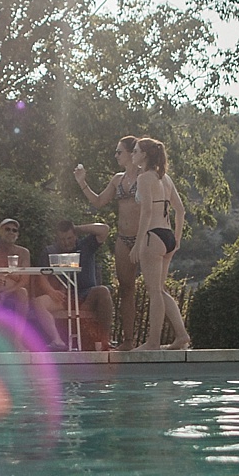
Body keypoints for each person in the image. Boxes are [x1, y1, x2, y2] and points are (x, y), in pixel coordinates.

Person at [73, 136, 144, 347]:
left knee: (155, 288)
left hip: (145, 237)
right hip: (124, 239)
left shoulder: (146, 176)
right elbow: (99, 201)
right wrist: (82, 182)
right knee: (126, 288)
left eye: (119, 152)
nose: (115, 156)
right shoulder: (117, 179)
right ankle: (129, 340)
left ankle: (161, 338)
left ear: (132, 153)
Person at [133, 137, 192, 350]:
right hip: (166, 236)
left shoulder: (144, 178)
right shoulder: (165, 178)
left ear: (145, 155)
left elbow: (147, 211)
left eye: (136, 151)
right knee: (160, 289)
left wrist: (138, 244)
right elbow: (181, 210)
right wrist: (177, 239)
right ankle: (182, 335)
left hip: (153, 237)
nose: (133, 155)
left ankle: (153, 342)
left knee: (154, 292)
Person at [0, 218, 64, 349]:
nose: (11, 232)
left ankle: (17, 340)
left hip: (13, 290)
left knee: (23, 293)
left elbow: (24, 280)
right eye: (7, 229)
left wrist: (7, 292)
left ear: (17, 235)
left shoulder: (23, 253)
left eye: (14, 230)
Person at [44, 219, 114, 351]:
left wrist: (76, 227)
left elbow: (104, 229)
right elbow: (42, 276)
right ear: (57, 238)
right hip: (63, 298)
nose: (66, 242)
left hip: (86, 295)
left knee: (103, 291)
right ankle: (57, 342)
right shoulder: (51, 251)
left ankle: (104, 340)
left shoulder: (85, 245)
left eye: (69, 238)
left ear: (75, 235)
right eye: (62, 239)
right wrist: (51, 291)